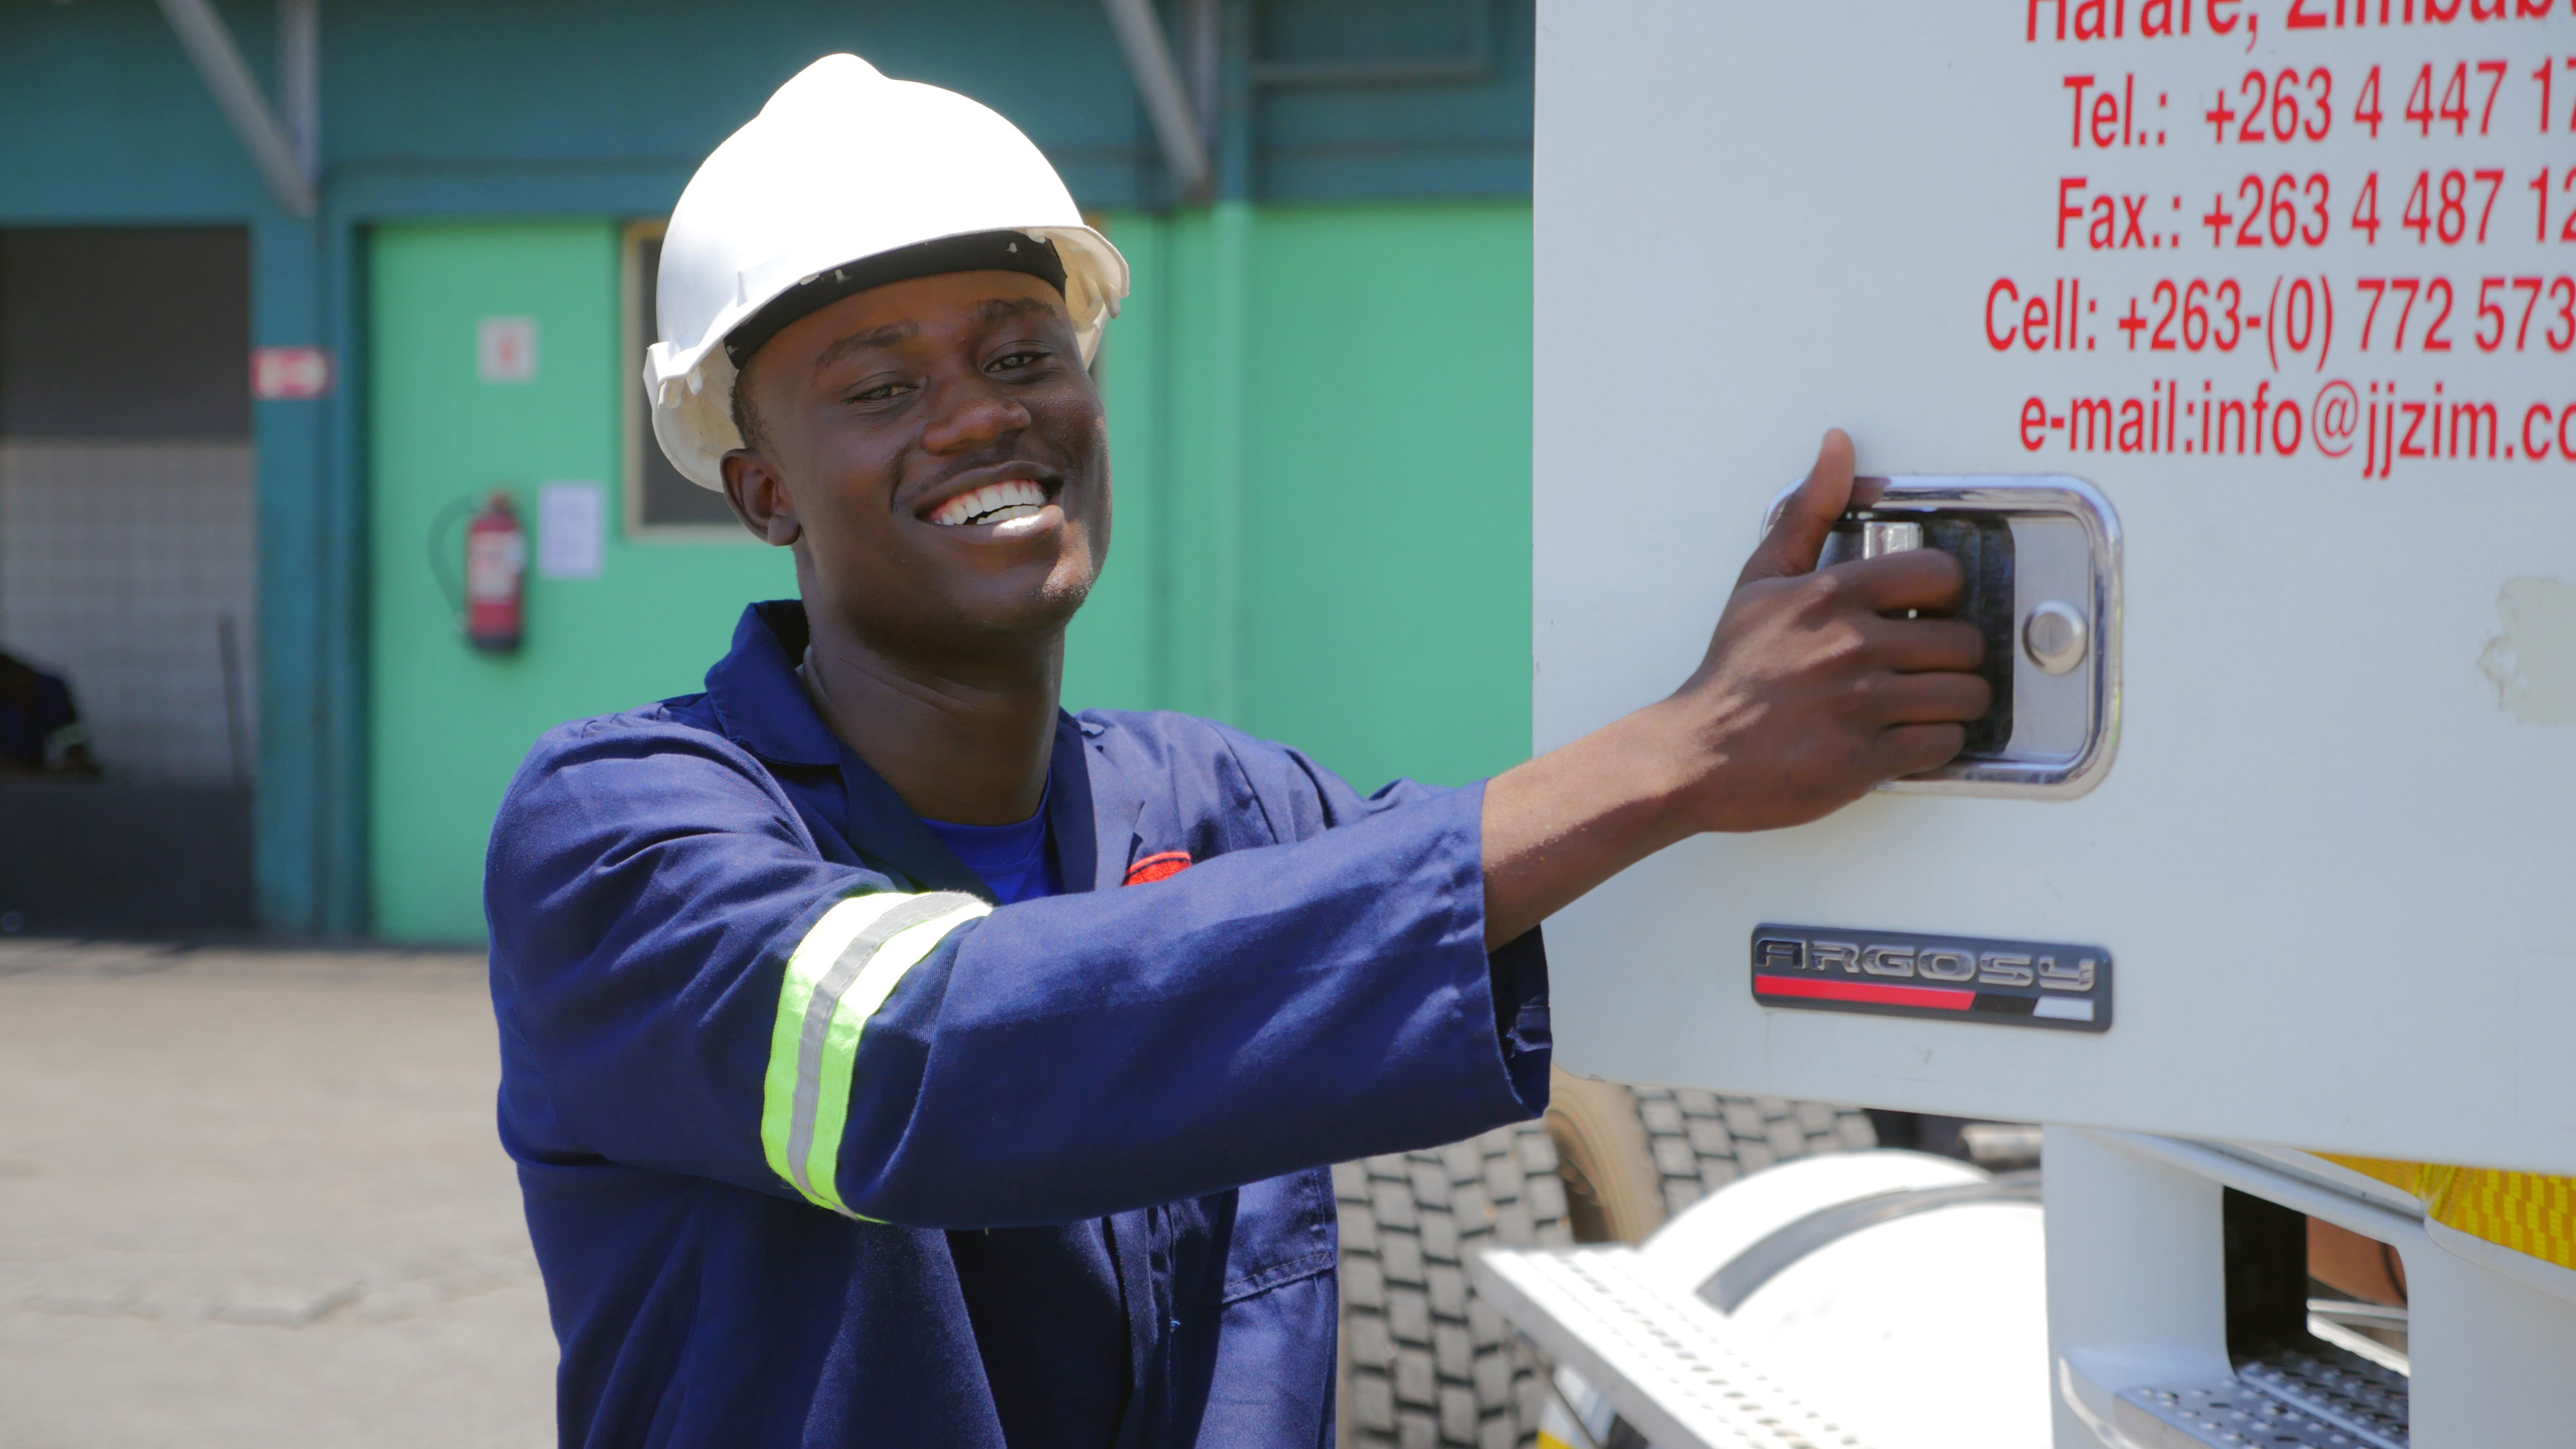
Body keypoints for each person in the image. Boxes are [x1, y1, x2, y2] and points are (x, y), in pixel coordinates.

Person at [484, 54, 1989, 1448]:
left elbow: (1557, 902)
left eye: (1023, 354)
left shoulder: (1221, 808)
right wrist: (1679, 750)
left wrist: (1804, 714)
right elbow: (917, 1059)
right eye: (882, 390)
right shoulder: (618, 837)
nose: (979, 418)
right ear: (763, 493)